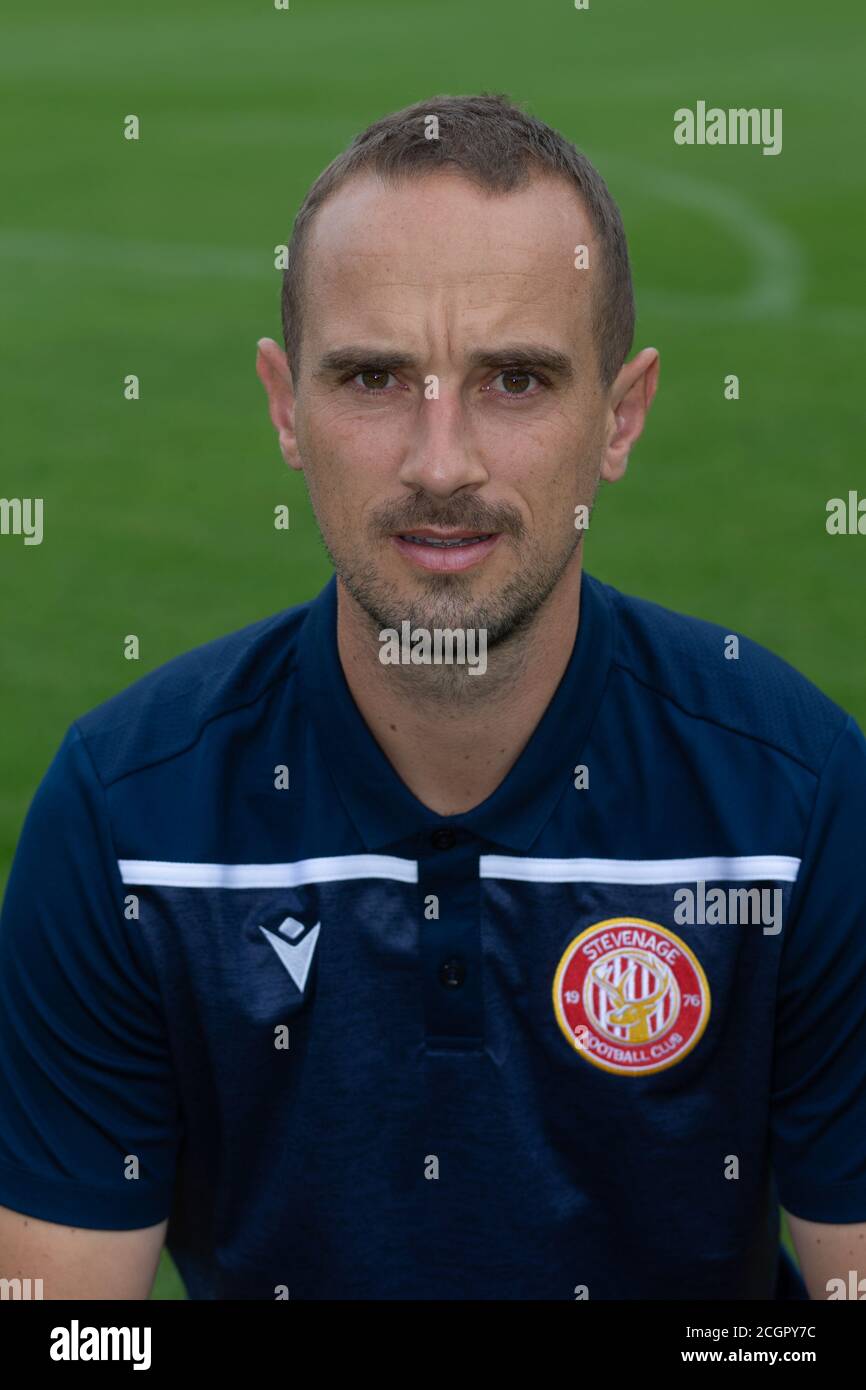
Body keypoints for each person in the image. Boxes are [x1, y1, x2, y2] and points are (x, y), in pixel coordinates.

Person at [1, 93, 864, 1301]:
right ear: (283, 406)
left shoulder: (799, 798)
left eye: (513, 379)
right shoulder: (126, 819)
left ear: (620, 416)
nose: (440, 461)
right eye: (372, 377)